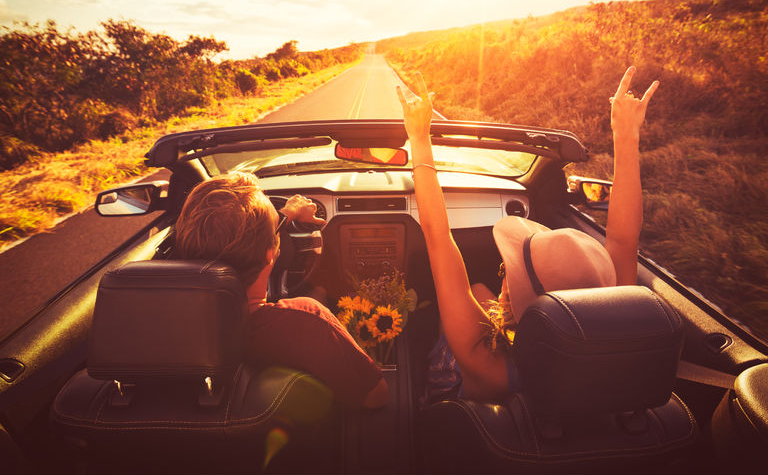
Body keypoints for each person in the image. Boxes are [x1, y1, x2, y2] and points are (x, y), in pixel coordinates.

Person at [397, 67, 659, 403]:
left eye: (510, 270)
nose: (504, 274)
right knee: (477, 290)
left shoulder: (484, 358)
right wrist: (626, 135)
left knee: (469, 298)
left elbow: (437, 237)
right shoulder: (614, 334)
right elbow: (624, 240)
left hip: (457, 414)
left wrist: (419, 136)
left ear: (515, 299)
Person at [174, 172, 388, 409]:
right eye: (276, 228)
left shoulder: (159, 320)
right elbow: (376, 397)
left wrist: (284, 216)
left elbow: (229, 238)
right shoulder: (308, 320)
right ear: (271, 254)